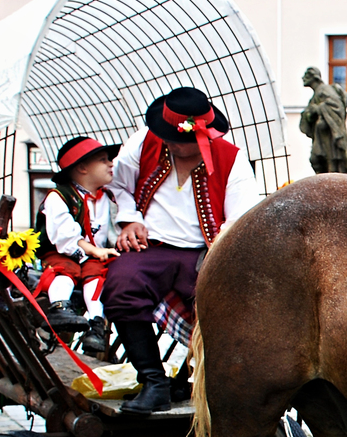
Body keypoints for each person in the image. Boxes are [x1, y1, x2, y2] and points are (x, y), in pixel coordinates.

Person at [105, 87, 259, 414]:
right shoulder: (143, 142)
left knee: (220, 309)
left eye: (177, 139)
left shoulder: (232, 158)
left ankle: (192, 380)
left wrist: (220, 255)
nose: (170, 143)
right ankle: (153, 382)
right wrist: (130, 220)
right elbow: (117, 185)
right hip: (152, 247)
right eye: (166, 136)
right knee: (120, 284)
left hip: (204, 252)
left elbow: (241, 218)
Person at [36, 137, 121, 352]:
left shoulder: (107, 197)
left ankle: (96, 324)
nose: (111, 163)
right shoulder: (58, 197)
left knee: (96, 274)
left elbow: (113, 229)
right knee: (65, 270)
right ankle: (59, 307)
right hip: (61, 252)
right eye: (103, 160)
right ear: (82, 168)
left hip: (94, 255)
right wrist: (94, 250)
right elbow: (65, 237)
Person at [300, 66, 347, 175]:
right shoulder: (316, 93)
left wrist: (318, 109)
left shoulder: (324, 90)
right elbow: (309, 114)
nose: (303, 78)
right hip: (321, 134)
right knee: (316, 160)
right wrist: (309, 114)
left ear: (313, 77)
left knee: (329, 162)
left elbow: (336, 106)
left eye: (306, 75)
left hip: (329, 136)